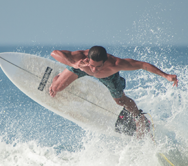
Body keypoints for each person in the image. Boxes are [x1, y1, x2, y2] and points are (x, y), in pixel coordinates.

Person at [49, 46, 178, 137]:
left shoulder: (116, 64)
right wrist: (75, 64)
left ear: (105, 62)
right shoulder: (81, 58)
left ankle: (139, 118)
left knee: (121, 101)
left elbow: (143, 65)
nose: (94, 70)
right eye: (92, 65)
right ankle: (60, 77)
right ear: (88, 58)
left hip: (109, 77)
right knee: (56, 88)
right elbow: (54, 53)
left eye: (98, 66)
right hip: (79, 68)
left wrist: (165, 75)